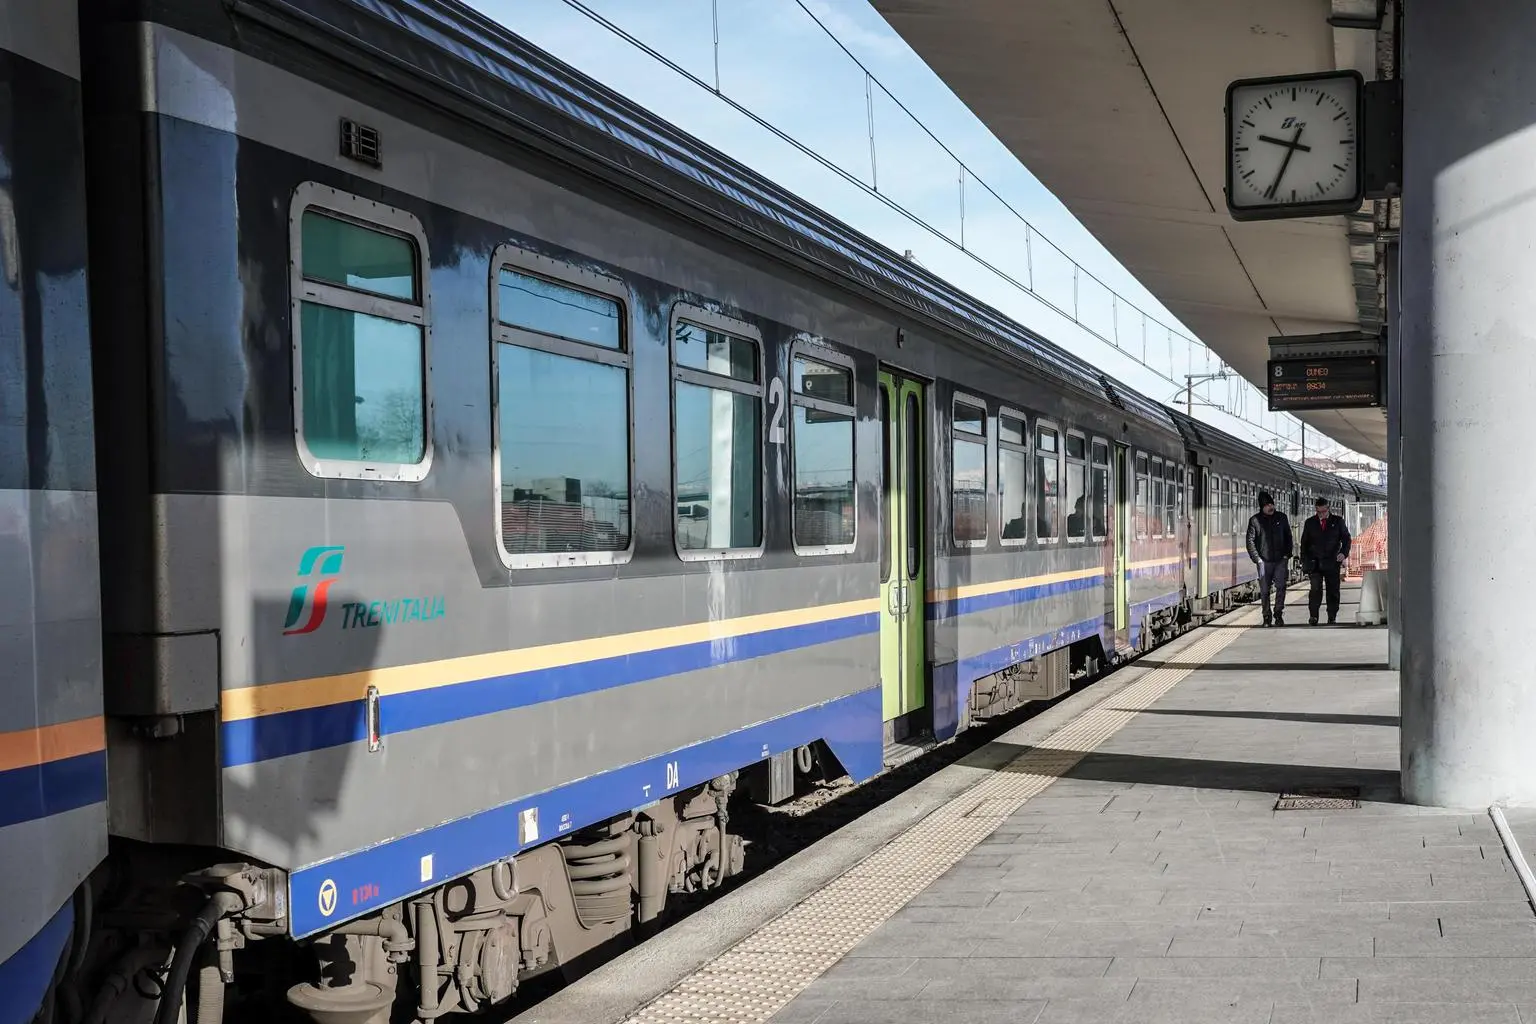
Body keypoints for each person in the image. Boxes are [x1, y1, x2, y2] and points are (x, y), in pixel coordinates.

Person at [1299, 496, 1351, 625]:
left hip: (1332, 562)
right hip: (1314, 562)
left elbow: (1346, 539)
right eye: (1318, 512)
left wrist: (1343, 553)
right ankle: (1313, 616)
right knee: (1315, 589)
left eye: (1323, 511)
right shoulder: (1310, 523)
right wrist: (1304, 560)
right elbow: (1304, 543)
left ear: (1328, 509)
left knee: (1333, 590)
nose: (1321, 514)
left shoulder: (1338, 522)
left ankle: (1332, 616)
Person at [1245, 490, 1292, 627]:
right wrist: (1257, 559)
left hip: (1280, 560)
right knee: (1265, 591)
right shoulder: (1255, 521)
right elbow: (1250, 541)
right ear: (1262, 507)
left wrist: (1286, 555)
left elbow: (1288, 537)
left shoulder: (1282, 518)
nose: (1271, 507)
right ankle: (1266, 616)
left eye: (1272, 504)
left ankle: (1278, 613)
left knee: (1281, 587)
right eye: (1267, 505)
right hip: (1263, 561)